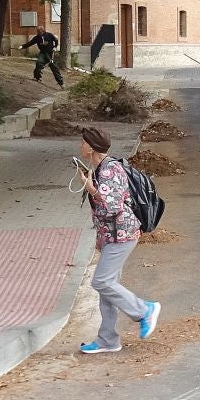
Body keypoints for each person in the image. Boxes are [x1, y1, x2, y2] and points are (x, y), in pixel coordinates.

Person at [76, 126, 158, 354]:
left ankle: (144, 310)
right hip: (113, 235)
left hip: (122, 235)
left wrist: (91, 188)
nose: (80, 146)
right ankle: (108, 340)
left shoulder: (109, 170)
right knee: (107, 288)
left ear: (91, 147)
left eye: (82, 142)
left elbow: (112, 206)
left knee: (101, 282)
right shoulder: (101, 167)